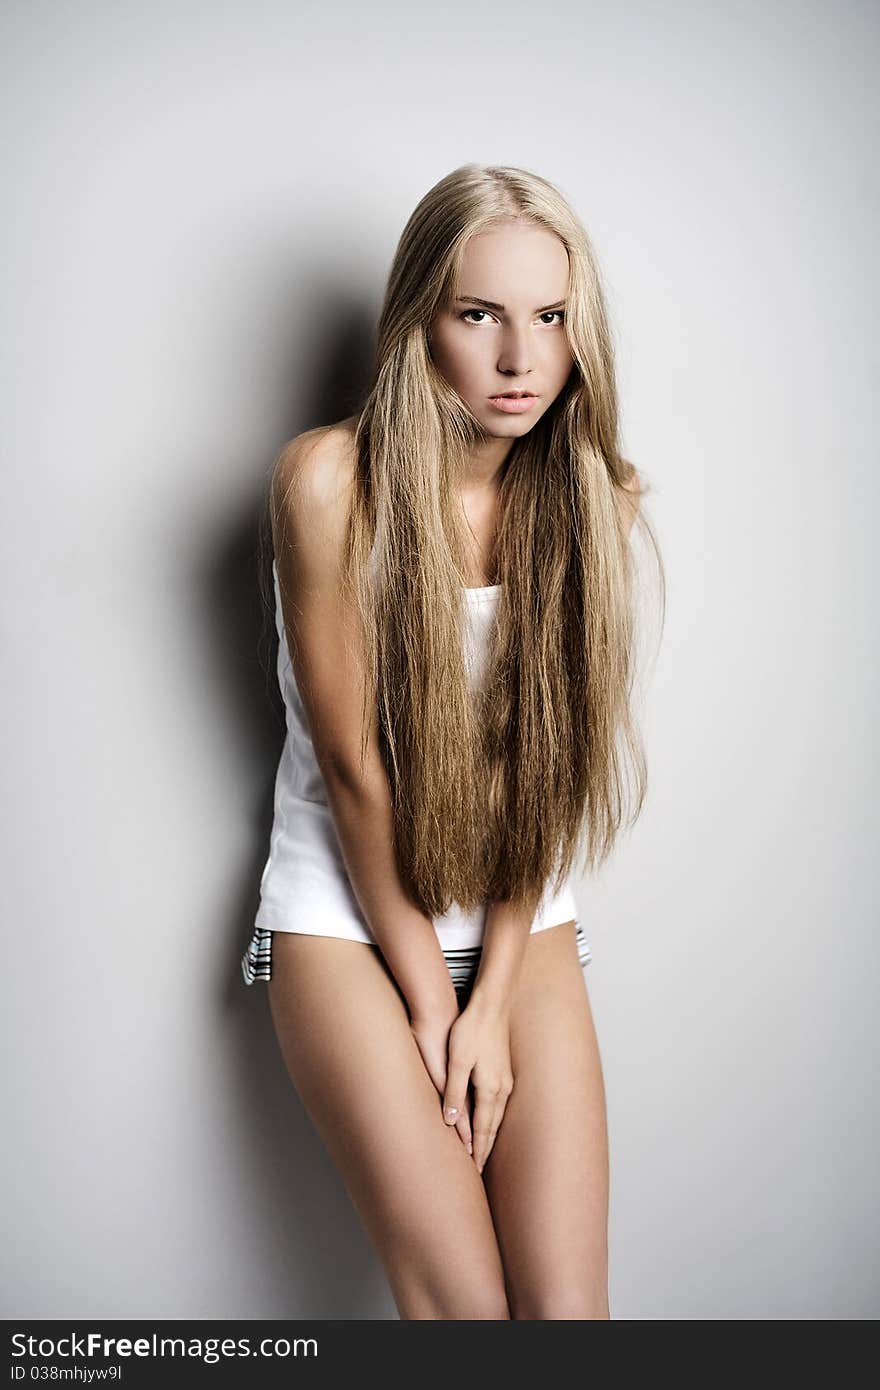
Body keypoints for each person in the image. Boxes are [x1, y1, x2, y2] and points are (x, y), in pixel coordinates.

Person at [240, 163, 661, 1320]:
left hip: (521, 914)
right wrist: (436, 1004)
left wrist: (492, 998)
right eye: (479, 315)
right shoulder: (328, 482)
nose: (520, 358)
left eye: (550, 318)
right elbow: (356, 772)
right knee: (464, 1317)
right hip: (348, 921)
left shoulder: (593, 499)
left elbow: (552, 770)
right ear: (419, 317)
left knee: (568, 1320)